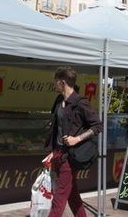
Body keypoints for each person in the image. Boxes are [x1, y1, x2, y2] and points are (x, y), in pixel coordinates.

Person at [43, 67, 102, 217]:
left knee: (59, 198)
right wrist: (52, 150)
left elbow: (97, 126)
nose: (54, 85)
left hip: (71, 157)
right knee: (72, 195)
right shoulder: (58, 101)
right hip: (59, 153)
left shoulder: (80, 103)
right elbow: (55, 128)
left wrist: (77, 139)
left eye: (55, 82)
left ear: (62, 82)